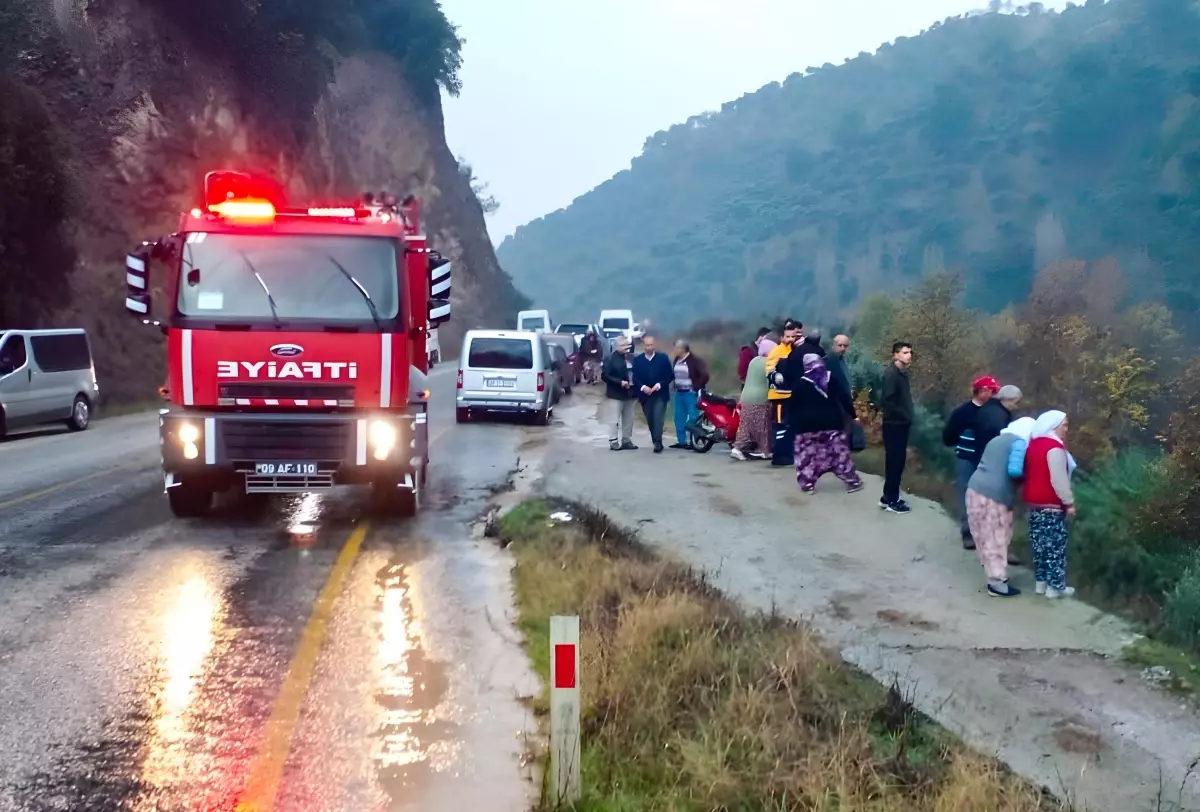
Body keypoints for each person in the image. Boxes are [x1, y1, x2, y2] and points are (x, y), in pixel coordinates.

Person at [965, 416, 1037, 597]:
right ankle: (997, 583)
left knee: (982, 535)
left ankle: (991, 570)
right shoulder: (1019, 443)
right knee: (997, 537)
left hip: (974, 488)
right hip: (994, 496)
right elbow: (1014, 470)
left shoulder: (997, 439)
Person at [781, 350, 863, 493]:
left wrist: (788, 421)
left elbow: (791, 405)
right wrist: (853, 415)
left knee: (807, 456)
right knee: (839, 454)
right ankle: (852, 481)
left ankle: (807, 484)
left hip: (807, 428)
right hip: (832, 424)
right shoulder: (831, 379)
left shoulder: (801, 384)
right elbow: (844, 398)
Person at [1022, 410, 1077, 599]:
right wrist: (1069, 503)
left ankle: (1041, 582)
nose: (1066, 430)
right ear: (1053, 426)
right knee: (1055, 546)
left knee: (1039, 545)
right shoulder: (1054, 448)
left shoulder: (1034, 444)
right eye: (1064, 425)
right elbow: (1059, 479)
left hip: (1033, 502)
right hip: (1051, 504)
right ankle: (1055, 587)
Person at [942, 375, 1001, 549]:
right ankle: (968, 532)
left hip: (989, 461)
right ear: (981, 391)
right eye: (993, 391)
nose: (995, 395)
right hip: (967, 459)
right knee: (966, 495)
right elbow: (949, 436)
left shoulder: (995, 412)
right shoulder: (963, 412)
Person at [880, 341, 914, 514]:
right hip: (894, 424)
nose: (909, 355)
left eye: (910, 352)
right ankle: (892, 500)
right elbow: (888, 401)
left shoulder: (902, 374)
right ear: (895, 355)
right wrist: (904, 415)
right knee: (894, 462)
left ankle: (888, 496)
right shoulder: (891, 374)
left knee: (897, 462)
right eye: (905, 352)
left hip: (901, 424)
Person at [731, 336, 775, 460]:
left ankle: (739, 448)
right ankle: (763, 450)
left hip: (746, 396)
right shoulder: (767, 363)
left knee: (746, 425)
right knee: (762, 426)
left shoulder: (754, 360)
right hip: (759, 398)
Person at [765, 320, 801, 467]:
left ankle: (789, 454)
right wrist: (774, 375)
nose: (791, 340)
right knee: (780, 426)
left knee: (790, 426)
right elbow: (768, 368)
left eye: (793, 337)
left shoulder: (795, 351)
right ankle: (779, 456)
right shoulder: (777, 351)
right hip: (779, 395)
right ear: (782, 338)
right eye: (788, 337)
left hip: (791, 394)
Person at [632, 335, 673, 453]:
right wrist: (643, 387)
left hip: (660, 393)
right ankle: (655, 439)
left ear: (654, 345)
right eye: (646, 345)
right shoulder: (638, 360)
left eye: (651, 345)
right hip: (645, 395)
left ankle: (657, 442)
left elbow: (669, 376)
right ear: (643, 346)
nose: (649, 347)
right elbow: (635, 378)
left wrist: (659, 385)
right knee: (650, 419)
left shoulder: (663, 358)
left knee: (658, 417)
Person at [670, 340, 709, 449]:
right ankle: (681, 441)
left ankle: (693, 441)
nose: (674, 350)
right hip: (679, 392)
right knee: (679, 417)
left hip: (690, 393)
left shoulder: (695, 361)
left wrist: (696, 387)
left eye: (676, 348)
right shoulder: (676, 360)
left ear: (683, 349)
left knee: (693, 417)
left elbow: (704, 375)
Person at [601, 336, 637, 451]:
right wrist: (619, 382)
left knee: (629, 418)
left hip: (630, 393)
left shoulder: (632, 358)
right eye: (622, 345)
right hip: (615, 393)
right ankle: (613, 440)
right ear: (617, 346)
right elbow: (605, 375)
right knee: (614, 419)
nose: (625, 347)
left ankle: (626, 440)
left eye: (626, 345)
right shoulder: (610, 359)